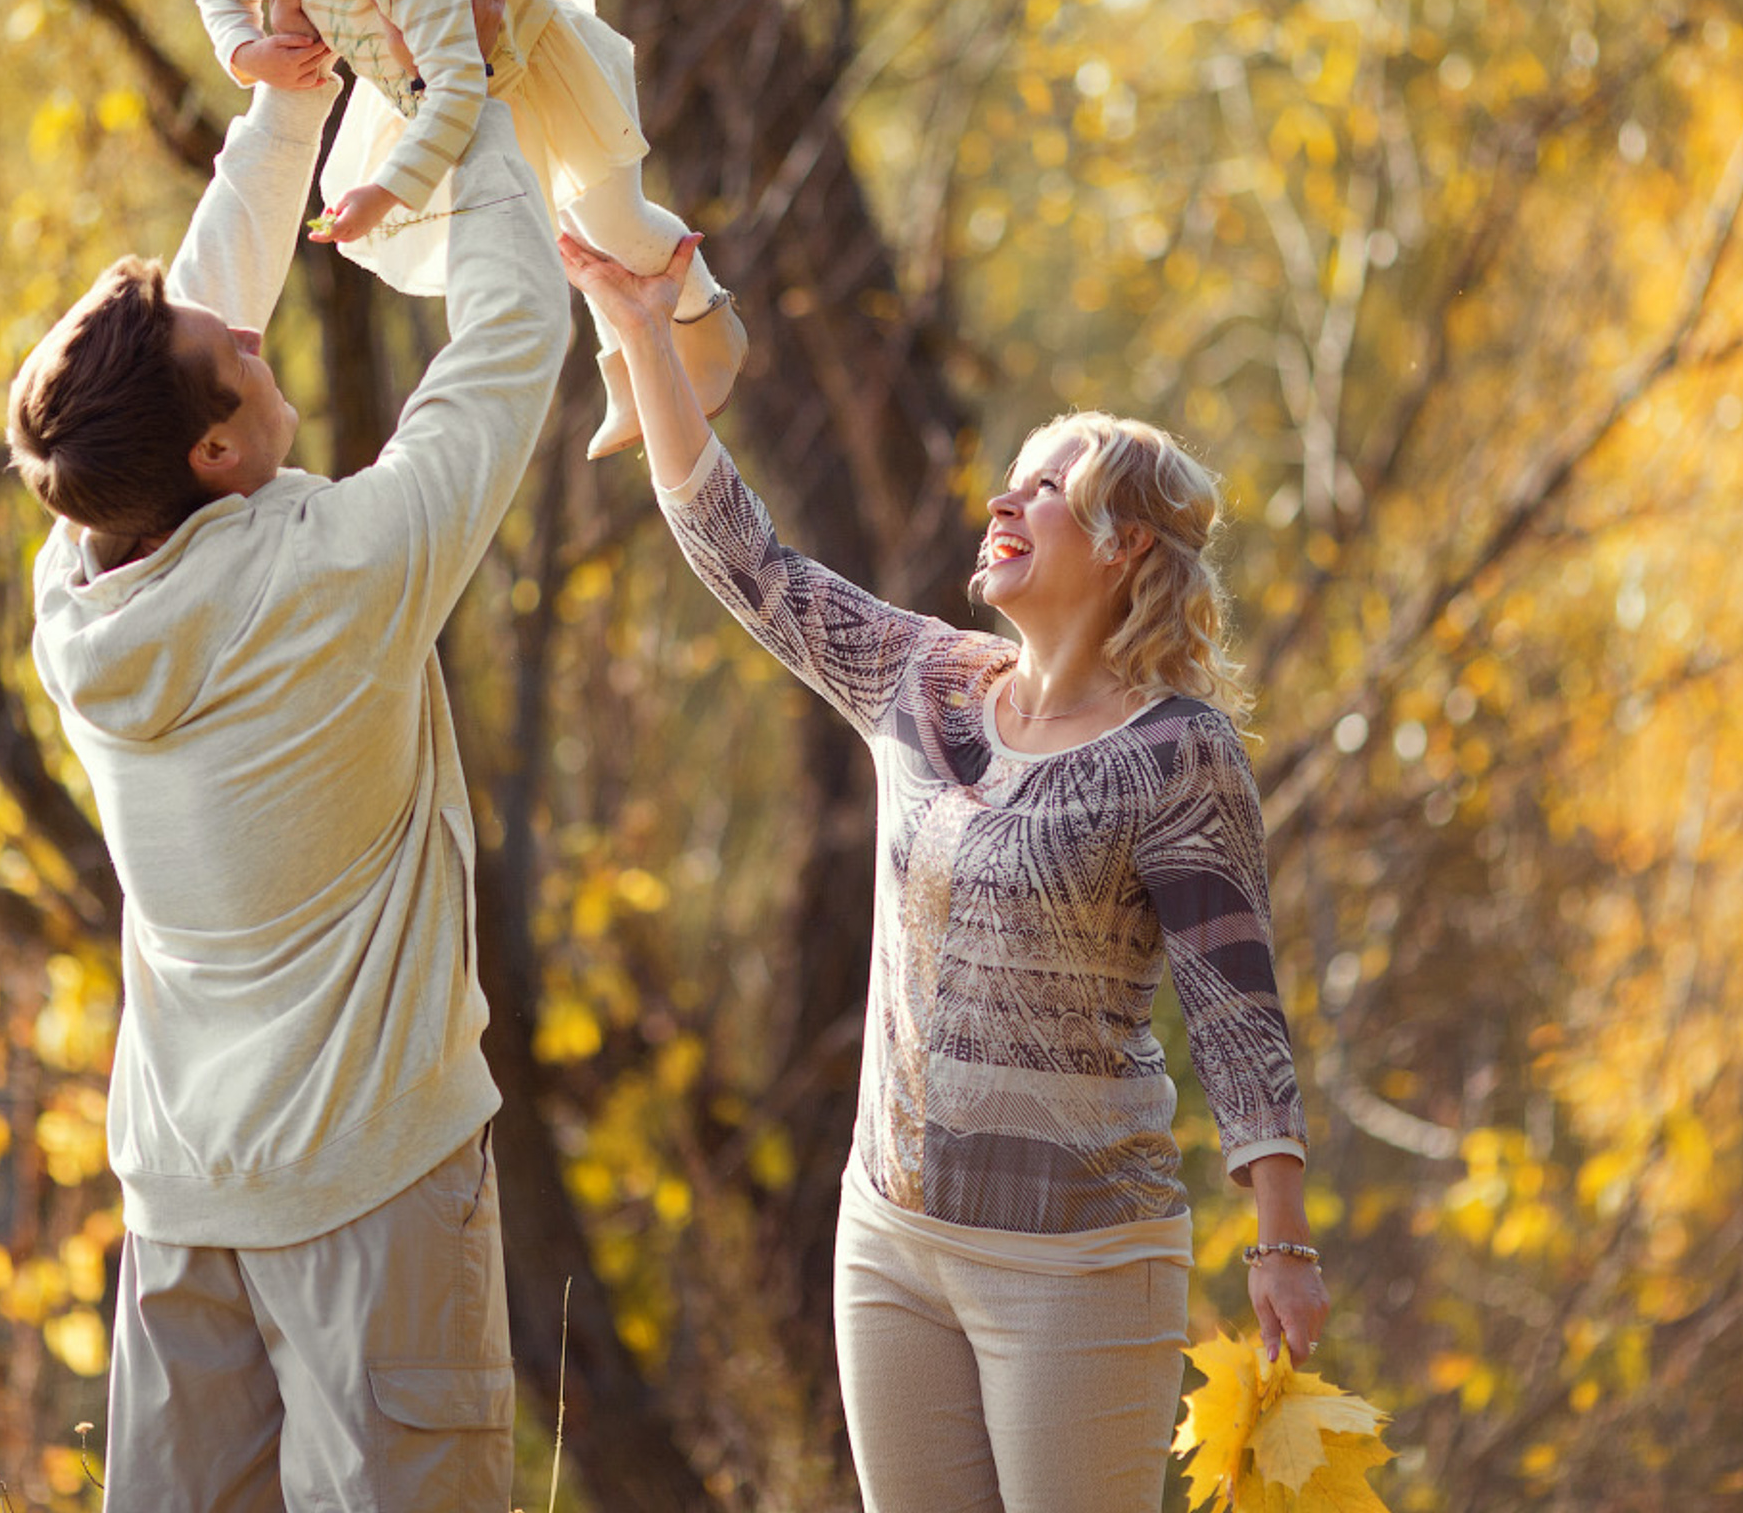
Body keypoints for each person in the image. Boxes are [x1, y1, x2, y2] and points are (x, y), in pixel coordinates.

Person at [558, 231, 1330, 1513]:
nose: (1003, 502)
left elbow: (1236, 1012)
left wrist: (1283, 1242)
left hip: (1078, 1267)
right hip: (891, 1246)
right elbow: (749, 558)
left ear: (1126, 543)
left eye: (1045, 487)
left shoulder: (1179, 755)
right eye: (1010, 482)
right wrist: (643, 329)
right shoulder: (922, 683)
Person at [4, 0, 566, 1511]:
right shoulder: (343, 577)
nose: (261, 334)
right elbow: (513, 335)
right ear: (214, 449)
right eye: (238, 354)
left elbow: (199, 314)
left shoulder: (81, 587)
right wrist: (478, 95)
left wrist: (292, 94)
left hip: (185, 1198)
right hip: (373, 1190)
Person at [197, 0, 744, 458]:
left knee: (609, 219)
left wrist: (386, 193)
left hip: (529, 72)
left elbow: (459, 91)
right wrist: (250, 52)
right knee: (549, 232)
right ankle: (632, 374)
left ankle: (709, 321)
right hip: (431, 88)